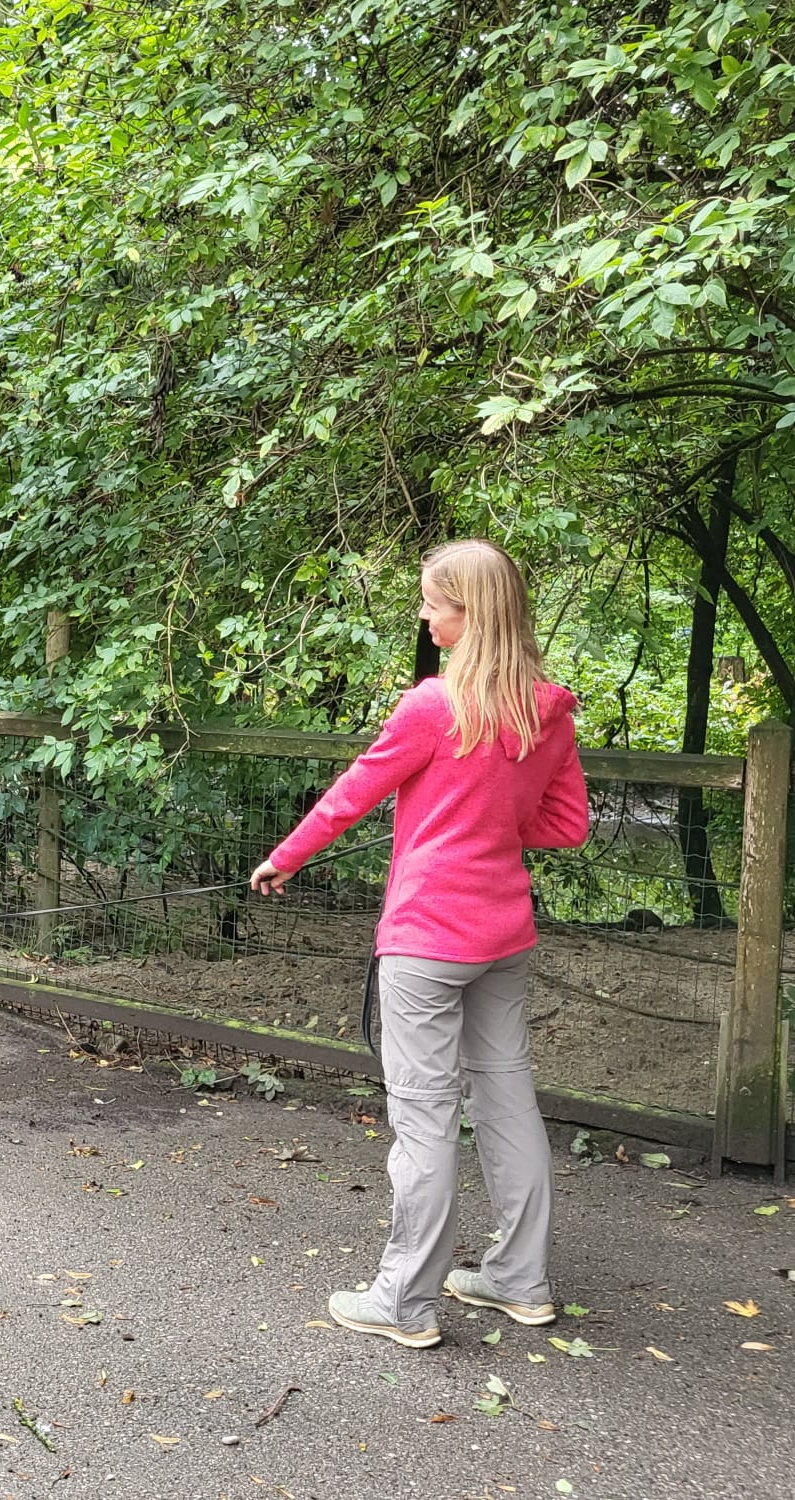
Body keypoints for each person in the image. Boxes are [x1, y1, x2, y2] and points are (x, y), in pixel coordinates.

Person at [249, 539, 589, 1349]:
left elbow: (350, 796)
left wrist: (282, 859)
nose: (425, 616)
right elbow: (566, 824)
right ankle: (520, 1282)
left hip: (428, 938)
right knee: (507, 1100)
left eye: (434, 604)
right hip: (503, 935)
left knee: (426, 1116)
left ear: (472, 612)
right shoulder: (545, 710)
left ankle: (404, 1301)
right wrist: (489, 825)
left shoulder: (433, 706)